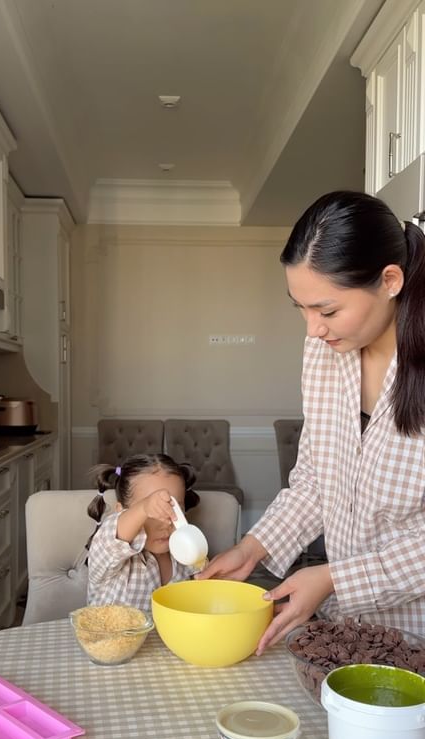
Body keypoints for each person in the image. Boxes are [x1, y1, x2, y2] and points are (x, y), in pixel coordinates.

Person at [199, 189, 425, 652]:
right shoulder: (326, 351)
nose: (312, 329)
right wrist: (253, 547)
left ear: (390, 280)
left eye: (327, 309)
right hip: (350, 629)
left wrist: (334, 578)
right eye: (300, 307)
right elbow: (317, 481)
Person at [86, 453, 200, 610]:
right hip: (111, 634)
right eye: (153, 513)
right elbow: (113, 536)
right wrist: (144, 508)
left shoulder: (185, 554)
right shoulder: (109, 553)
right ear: (121, 511)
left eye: (175, 509)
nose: (165, 523)